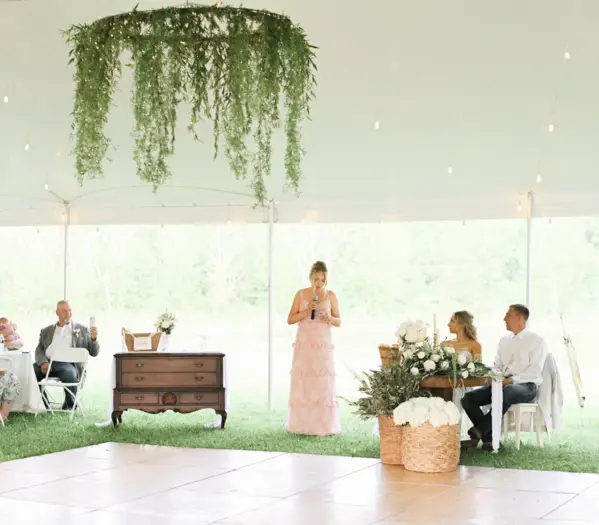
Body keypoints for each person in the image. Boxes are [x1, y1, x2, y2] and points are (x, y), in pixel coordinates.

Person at [461, 304, 548, 450]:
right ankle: (489, 440)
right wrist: (494, 375)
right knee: (468, 399)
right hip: (501, 384)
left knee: (508, 391)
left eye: (508, 315)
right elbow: (497, 366)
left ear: (519, 318)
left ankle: (481, 429)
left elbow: (534, 371)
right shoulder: (504, 341)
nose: (504, 319)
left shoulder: (537, 341)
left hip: (526, 386)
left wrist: (512, 380)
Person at [286, 261, 341, 436]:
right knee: (304, 381)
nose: (319, 283)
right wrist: (307, 310)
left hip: (322, 343)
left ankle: (322, 424)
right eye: (316, 279)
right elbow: (290, 319)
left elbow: (339, 321)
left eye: (322, 280)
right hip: (304, 343)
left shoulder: (330, 295)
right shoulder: (301, 294)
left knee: (322, 382)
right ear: (311, 277)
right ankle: (302, 424)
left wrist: (329, 318)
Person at [33, 300, 100, 410]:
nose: (68, 313)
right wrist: (43, 362)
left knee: (70, 374)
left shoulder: (82, 330)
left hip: (68, 364)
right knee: (30, 372)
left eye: (69, 310)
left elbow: (94, 352)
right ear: (57, 313)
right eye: (64, 311)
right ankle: (44, 404)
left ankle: (69, 406)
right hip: (47, 362)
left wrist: (93, 339)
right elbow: (39, 350)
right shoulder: (46, 331)